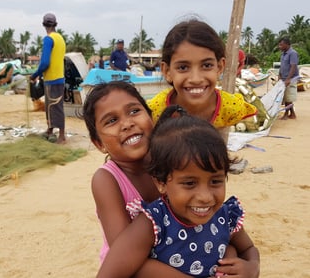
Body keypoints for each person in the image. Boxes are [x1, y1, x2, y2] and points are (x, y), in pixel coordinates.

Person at [83, 81, 259, 278]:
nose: (127, 124)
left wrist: (249, 265)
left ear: (150, 116)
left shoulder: (178, 161)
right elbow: (126, 257)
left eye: (134, 111)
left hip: (184, 258)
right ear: (99, 143)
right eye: (111, 121)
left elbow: (227, 237)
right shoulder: (107, 179)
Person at [147, 19, 257, 133]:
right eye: (183, 68)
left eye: (207, 65)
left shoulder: (230, 108)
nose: (196, 79)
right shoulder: (155, 111)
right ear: (167, 71)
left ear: (219, 67)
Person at [30, 13, 66, 144]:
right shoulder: (60, 38)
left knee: (55, 107)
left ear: (44, 25)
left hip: (52, 79)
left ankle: (62, 136)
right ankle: (50, 130)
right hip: (59, 77)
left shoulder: (48, 39)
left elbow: (45, 63)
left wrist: (34, 75)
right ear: (55, 24)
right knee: (51, 106)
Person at [278, 36, 299, 120]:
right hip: (284, 78)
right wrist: (279, 75)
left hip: (290, 78)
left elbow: (293, 66)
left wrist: (288, 79)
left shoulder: (292, 53)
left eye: (281, 45)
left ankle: (287, 114)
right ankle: (292, 114)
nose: (280, 47)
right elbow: (282, 66)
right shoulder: (283, 54)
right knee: (286, 97)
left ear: (287, 44)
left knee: (288, 97)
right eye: (279, 45)